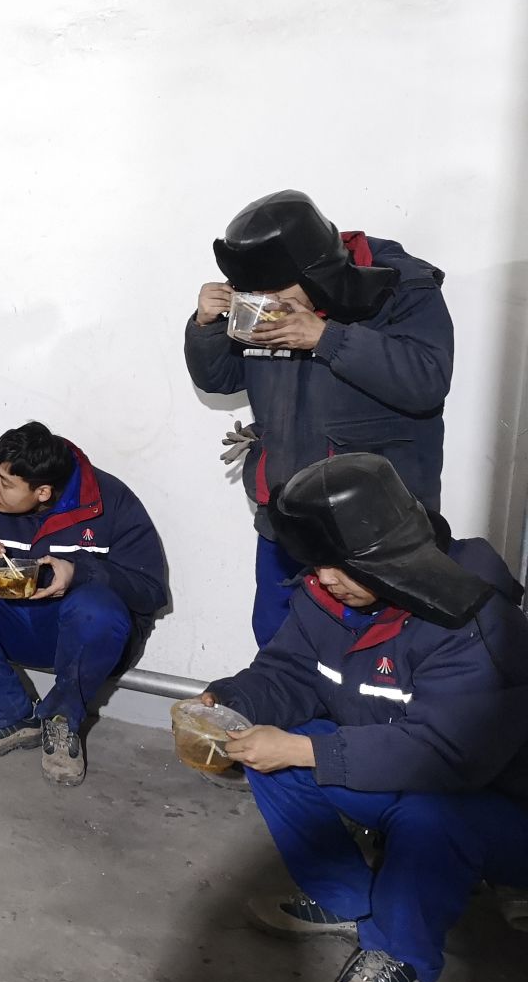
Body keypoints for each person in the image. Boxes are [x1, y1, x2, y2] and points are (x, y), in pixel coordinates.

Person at [202, 453, 528, 982]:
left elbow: (449, 756)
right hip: (406, 772)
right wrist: (229, 701)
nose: (324, 578)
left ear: (391, 555)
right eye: (317, 562)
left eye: (340, 564)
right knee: (264, 752)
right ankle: (345, 898)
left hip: (498, 809)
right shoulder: (329, 595)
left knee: (432, 813)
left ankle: (400, 952)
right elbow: (290, 672)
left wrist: (307, 752)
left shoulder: (471, 619)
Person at [184, 190, 452, 647]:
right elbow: (221, 379)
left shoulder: (403, 286)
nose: (265, 303)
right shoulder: (262, 290)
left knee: (375, 651)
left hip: (378, 526)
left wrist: (327, 338)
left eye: (275, 292)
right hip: (287, 512)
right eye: (255, 292)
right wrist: (205, 326)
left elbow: (427, 380)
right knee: (277, 638)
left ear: (316, 272)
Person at [0, 421, 168, 786]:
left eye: (6, 484)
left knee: (98, 608)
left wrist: (80, 572)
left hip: (75, 635)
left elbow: (150, 591)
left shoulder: (110, 502)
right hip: (9, 624)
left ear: (43, 492)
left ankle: (62, 719)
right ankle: (9, 716)